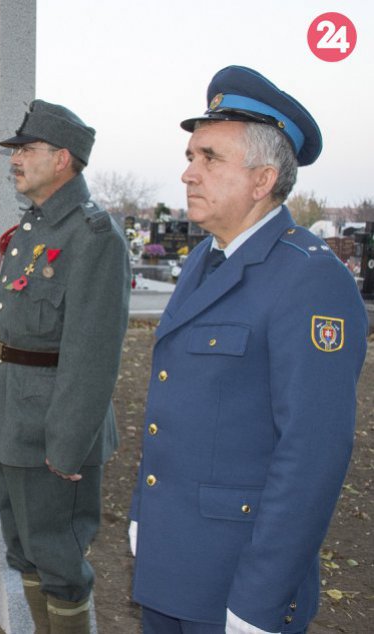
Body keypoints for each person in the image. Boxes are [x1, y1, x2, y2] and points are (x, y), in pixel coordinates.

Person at [128, 66, 368, 634]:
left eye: (210, 158)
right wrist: (143, 511)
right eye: (191, 155)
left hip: (235, 577)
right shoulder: (204, 260)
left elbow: (311, 455)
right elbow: (174, 406)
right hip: (170, 557)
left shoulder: (309, 279)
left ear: (262, 181)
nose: (188, 172)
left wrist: (259, 600)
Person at [0, 100, 130, 633]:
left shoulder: (93, 237)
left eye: (26, 149)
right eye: (14, 151)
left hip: (53, 432)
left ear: (62, 158)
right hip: (12, 418)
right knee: (25, 551)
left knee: (60, 562)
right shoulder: (31, 230)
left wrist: (66, 447)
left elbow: (93, 356)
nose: (14, 159)